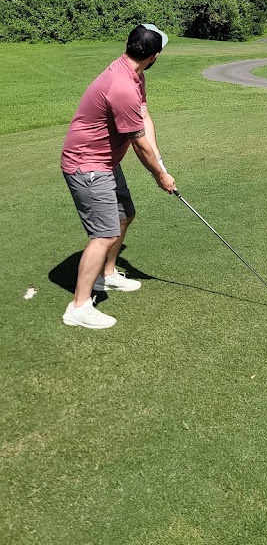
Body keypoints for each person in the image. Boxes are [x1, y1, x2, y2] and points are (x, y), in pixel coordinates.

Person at [60, 23, 176, 329]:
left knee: (125, 215)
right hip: (87, 165)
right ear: (155, 55)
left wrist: (160, 162)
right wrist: (159, 176)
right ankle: (79, 306)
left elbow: (144, 115)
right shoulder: (121, 85)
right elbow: (138, 144)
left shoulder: (134, 74)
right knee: (104, 234)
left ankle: (106, 275)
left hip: (106, 161)